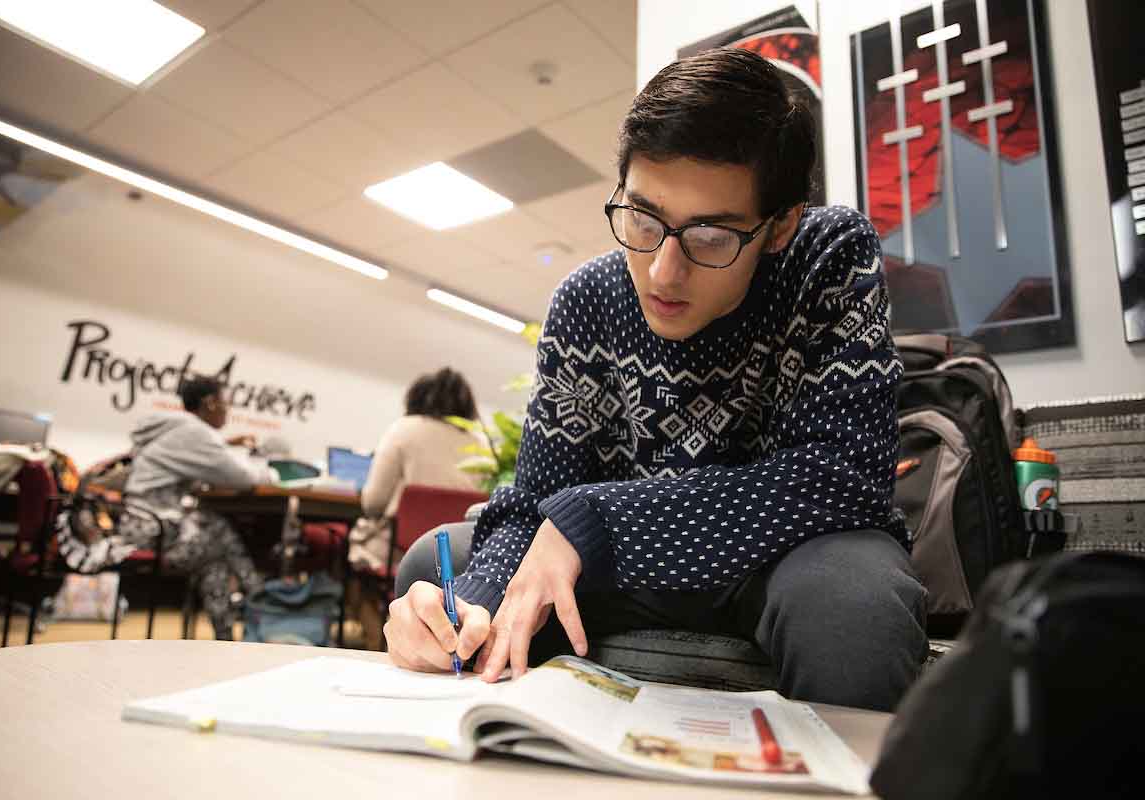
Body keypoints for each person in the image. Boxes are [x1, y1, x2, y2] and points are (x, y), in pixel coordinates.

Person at [385, 47, 927, 712]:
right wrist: (468, 607)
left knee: (855, 607)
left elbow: (842, 477)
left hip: (779, 559)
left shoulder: (827, 257)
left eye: (711, 237)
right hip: (619, 574)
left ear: (781, 223)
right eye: (642, 219)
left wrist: (598, 521)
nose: (664, 272)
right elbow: (537, 503)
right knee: (434, 577)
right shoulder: (586, 299)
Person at [121, 374, 273, 640]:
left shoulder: (176, 427)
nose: (228, 410)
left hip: (139, 524)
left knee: (214, 560)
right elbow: (244, 478)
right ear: (210, 402)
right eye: (225, 402)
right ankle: (262, 600)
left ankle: (227, 638)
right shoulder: (196, 432)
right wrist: (272, 473)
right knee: (219, 529)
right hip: (152, 531)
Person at [349, 367, 483, 573]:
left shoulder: (403, 429)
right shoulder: (479, 444)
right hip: (455, 560)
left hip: (400, 553)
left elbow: (373, 502)